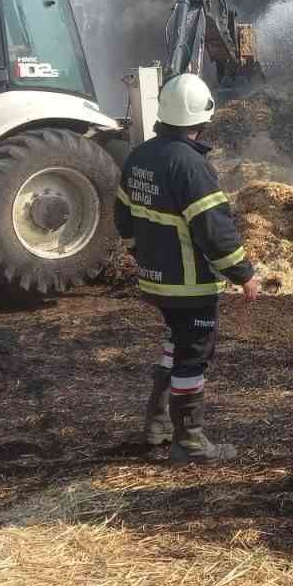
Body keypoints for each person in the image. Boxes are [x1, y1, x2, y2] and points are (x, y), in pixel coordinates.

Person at [115, 72, 262, 462]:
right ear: (203, 117)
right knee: (193, 355)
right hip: (190, 284)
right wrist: (244, 274)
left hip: (156, 281)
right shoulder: (190, 165)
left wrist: (143, 255)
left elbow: (123, 217)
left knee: (175, 343)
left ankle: (158, 423)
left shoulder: (140, 156)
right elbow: (214, 230)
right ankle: (190, 442)